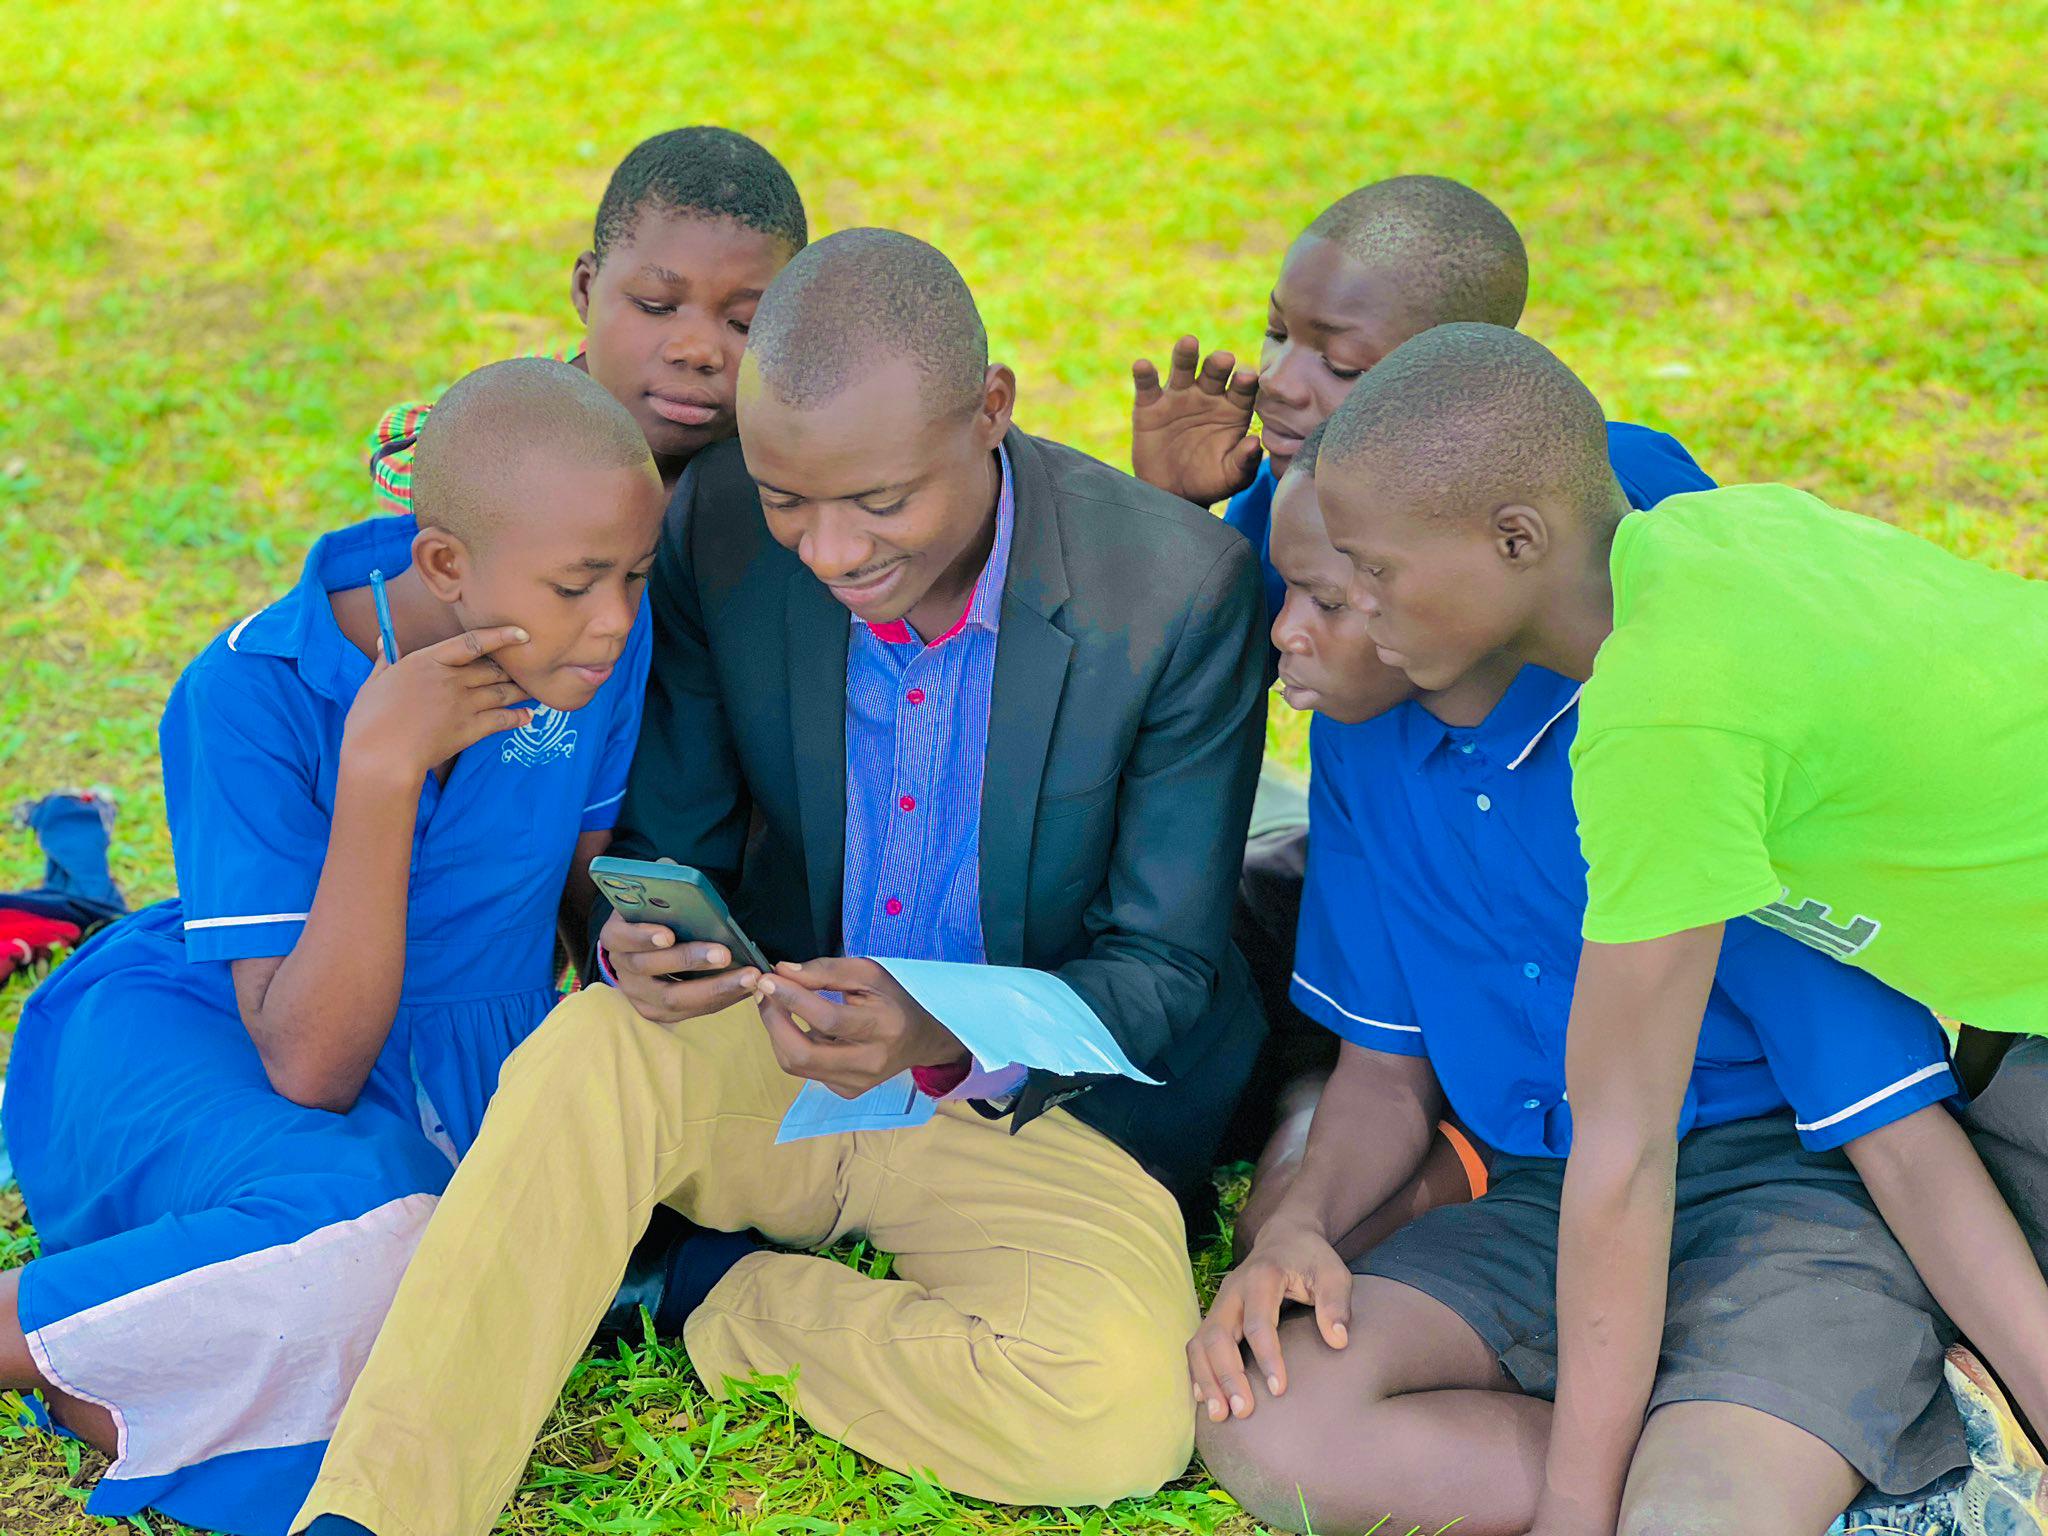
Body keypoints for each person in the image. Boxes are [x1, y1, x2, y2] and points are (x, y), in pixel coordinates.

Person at [290, 228, 1268, 1536]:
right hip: (772, 1044)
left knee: (1115, 1413)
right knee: (591, 1053)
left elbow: (1164, 966)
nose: (829, 549)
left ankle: (708, 1289)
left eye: (878, 502)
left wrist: (935, 1023)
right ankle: (377, 1514)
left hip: (1034, 1112)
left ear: (991, 409)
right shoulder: (718, 525)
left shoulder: (1178, 590)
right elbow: (673, 836)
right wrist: (641, 938)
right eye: (789, 499)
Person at [1193, 428, 2048, 1536]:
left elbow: (1888, 1130)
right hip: (1546, 1200)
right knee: (1268, 1427)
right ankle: (1751, 1461)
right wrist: (1297, 1226)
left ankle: (1833, 1457)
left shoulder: (1683, 739)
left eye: (1339, 589)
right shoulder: (1366, 750)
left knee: (1687, 1518)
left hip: (1788, 1206)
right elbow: (1384, 1069)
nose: (1284, 628)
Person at [0, 359, 665, 1535]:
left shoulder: (591, 639)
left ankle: (133, 1372)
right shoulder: (244, 693)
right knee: (384, 1225)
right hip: (230, 1042)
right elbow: (310, 1069)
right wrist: (380, 768)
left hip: (458, 1079)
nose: (613, 618)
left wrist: (630, 950)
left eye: (636, 576)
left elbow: (577, 898)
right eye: (578, 585)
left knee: (441, 1295)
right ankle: (24, 1332)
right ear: (445, 563)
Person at [1128, 174, 1714, 1236]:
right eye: (1276, 334)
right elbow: (1174, 710)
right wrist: (1173, 516)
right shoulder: (1277, 503)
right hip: (1392, 871)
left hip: (1582, 915)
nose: (1279, 384)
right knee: (1197, 948)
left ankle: (1428, 1143)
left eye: (1342, 364)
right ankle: (1327, 1107)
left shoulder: (1618, 483)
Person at [369, 124, 806, 507]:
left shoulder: (795, 440)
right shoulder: (533, 401)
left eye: (746, 323)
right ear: (585, 290)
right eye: (655, 306)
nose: (697, 351)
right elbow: (398, 450)